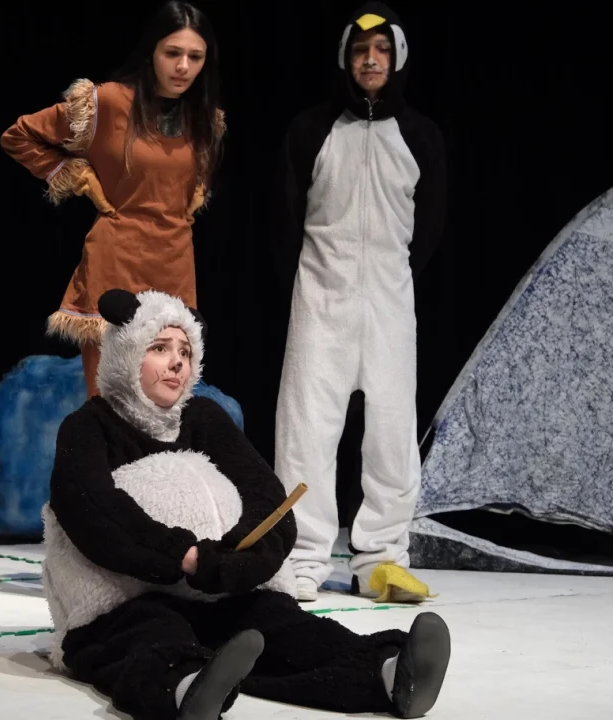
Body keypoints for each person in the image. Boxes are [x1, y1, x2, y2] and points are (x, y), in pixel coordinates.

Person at [41, 287, 452, 720]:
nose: (177, 362)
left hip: (211, 595)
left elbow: (264, 496)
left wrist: (241, 561)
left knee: (281, 624)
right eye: (159, 348)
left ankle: (389, 674)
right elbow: (92, 509)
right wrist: (183, 556)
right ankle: (186, 690)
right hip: (126, 603)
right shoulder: (89, 426)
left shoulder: (203, 418)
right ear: (126, 352)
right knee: (147, 634)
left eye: (185, 351)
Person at [273, 2, 447, 603]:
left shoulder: (421, 136)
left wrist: (391, 279)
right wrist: (315, 283)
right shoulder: (311, 130)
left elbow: (429, 227)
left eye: (382, 50)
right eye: (359, 50)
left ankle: (381, 560)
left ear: (397, 58)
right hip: (321, 297)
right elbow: (287, 218)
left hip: (391, 301)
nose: (371, 60)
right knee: (306, 430)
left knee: (393, 433)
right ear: (345, 58)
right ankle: (301, 556)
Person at [1, 1, 225, 400]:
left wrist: (193, 193)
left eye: (195, 57)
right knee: (110, 402)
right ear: (152, 52)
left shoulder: (205, 120)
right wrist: (76, 176)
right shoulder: (107, 102)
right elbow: (19, 136)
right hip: (117, 260)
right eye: (173, 53)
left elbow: (192, 179)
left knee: (166, 406)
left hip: (175, 266)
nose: (183, 67)